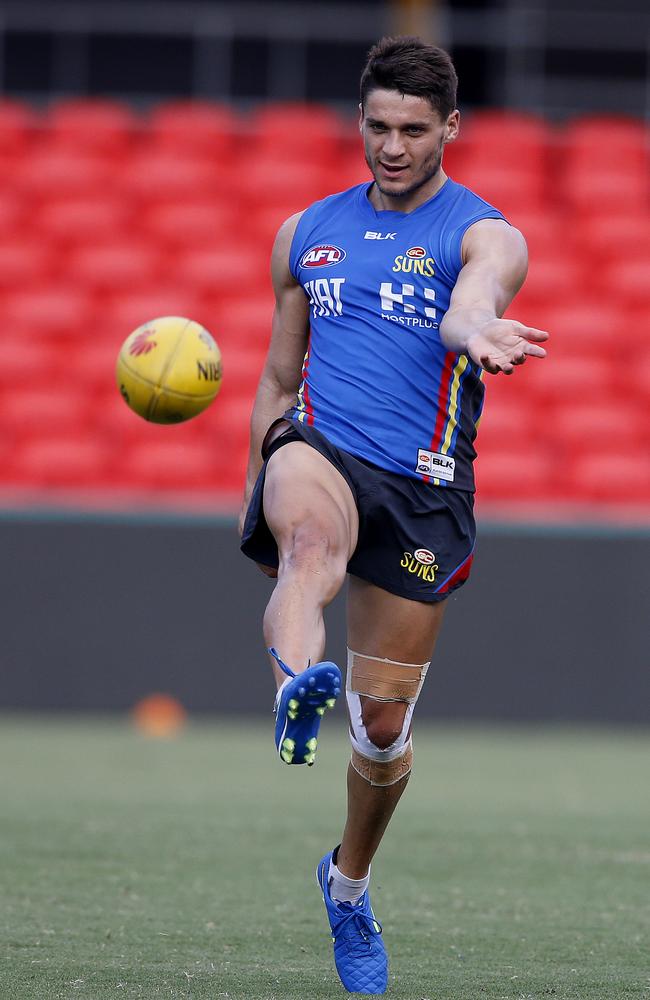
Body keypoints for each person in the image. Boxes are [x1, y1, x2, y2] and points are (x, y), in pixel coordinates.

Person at [239, 35, 548, 996]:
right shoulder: (305, 233)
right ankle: (298, 681)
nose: (393, 146)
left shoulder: (485, 234)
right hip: (321, 452)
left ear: (450, 128)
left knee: (381, 727)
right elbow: (281, 373)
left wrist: (478, 329)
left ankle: (347, 883)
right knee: (307, 547)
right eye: (377, 126)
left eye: (414, 130)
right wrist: (266, 460)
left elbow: (468, 305)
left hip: (422, 489)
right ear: (359, 123)